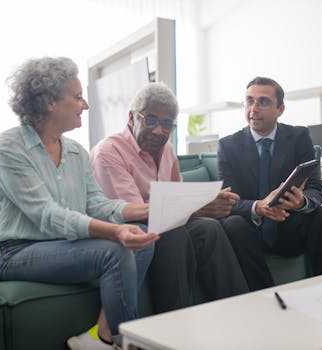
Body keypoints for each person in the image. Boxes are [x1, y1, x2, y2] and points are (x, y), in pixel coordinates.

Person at [0, 57, 159, 350]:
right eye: (77, 97)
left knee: (142, 239)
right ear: (50, 102)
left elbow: (97, 203)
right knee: (116, 250)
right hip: (15, 251)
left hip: (62, 244)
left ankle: (99, 338)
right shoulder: (8, 148)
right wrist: (114, 232)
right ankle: (125, 343)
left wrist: (148, 210)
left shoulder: (76, 152)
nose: (85, 105)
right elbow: (48, 215)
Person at [90, 82, 249, 314]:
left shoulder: (167, 151)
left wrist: (203, 204)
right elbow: (131, 211)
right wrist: (199, 207)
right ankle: (173, 322)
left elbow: (178, 198)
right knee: (173, 234)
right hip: (127, 231)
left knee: (210, 229)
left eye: (167, 124)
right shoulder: (109, 152)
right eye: (151, 120)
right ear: (132, 117)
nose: (159, 131)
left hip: (163, 224)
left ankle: (239, 311)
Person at [217, 76, 322, 291]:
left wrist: (302, 202)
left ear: (280, 109)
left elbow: (315, 187)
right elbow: (227, 201)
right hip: (251, 231)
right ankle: (265, 296)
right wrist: (258, 207)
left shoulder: (299, 136)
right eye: (249, 101)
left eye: (263, 102)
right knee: (233, 224)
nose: (254, 108)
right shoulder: (228, 145)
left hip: (289, 225)